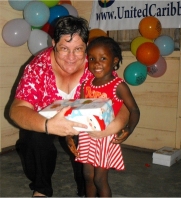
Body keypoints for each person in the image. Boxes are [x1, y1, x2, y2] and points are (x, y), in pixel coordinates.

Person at [9, 15, 130, 197]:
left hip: (82, 125)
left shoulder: (96, 65)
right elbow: (17, 109)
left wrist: (114, 126)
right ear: (53, 43)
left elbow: (123, 103)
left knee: (89, 180)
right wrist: (48, 125)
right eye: (64, 48)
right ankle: (41, 188)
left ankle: (84, 188)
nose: (71, 58)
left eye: (79, 49)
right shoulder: (38, 67)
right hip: (47, 120)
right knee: (32, 138)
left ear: (86, 46)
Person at [67, 36, 140, 197]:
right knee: (87, 176)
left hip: (105, 137)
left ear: (115, 61)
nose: (96, 63)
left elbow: (134, 110)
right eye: (92, 58)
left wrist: (129, 129)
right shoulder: (86, 85)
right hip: (87, 136)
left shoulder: (118, 86)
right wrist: (69, 135)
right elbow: (78, 111)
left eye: (103, 58)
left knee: (100, 179)